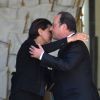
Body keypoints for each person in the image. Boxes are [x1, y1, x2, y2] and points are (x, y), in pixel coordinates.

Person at [9, 18, 88, 100]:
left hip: (34, 94)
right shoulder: (28, 45)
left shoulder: (39, 53)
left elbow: (45, 72)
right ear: (40, 31)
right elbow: (47, 49)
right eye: (49, 31)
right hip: (23, 94)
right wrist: (70, 38)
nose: (52, 34)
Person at [29, 12, 100, 100]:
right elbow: (60, 72)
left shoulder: (77, 45)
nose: (51, 28)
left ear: (64, 27)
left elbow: (66, 65)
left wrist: (42, 56)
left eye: (54, 25)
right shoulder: (68, 45)